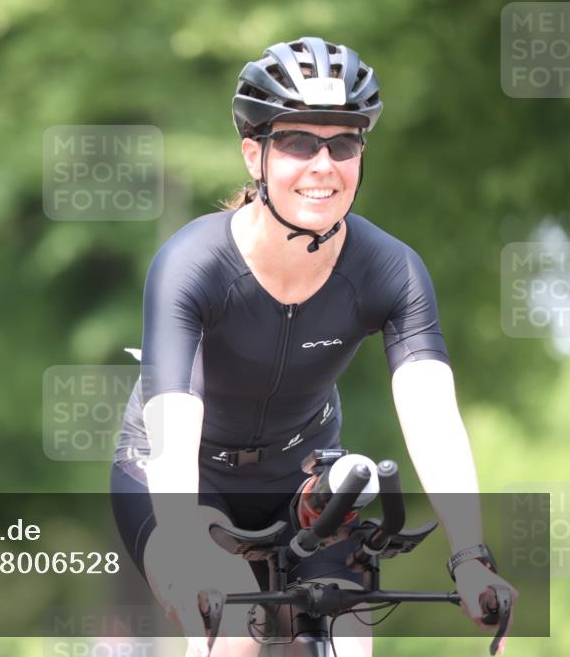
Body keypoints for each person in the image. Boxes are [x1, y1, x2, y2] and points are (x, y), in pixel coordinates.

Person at [110, 37, 518, 657]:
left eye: (344, 143)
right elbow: (173, 433)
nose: (323, 164)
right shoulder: (192, 264)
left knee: (347, 638)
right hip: (181, 473)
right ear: (255, 154)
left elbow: (433, 417)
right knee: (232, 638)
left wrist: (470, 555)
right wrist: (189, 557)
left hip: (303, 476)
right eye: (299, 142)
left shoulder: (393, 271)